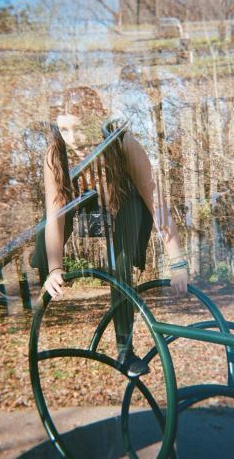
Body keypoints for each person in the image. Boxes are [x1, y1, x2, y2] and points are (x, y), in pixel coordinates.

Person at [30, 86, 188, 377]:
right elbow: (56, 214)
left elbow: (155, 201)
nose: (73, 139)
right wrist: (54, 267)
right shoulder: (56, 154)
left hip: (125, 205)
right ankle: (42, 270)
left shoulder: (123, 144)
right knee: (47, 229)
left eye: (81, 129)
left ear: (97, 121)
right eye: (64, 129)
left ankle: (125, 351)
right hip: (81, 205)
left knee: (120, 265)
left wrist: (176, 259)